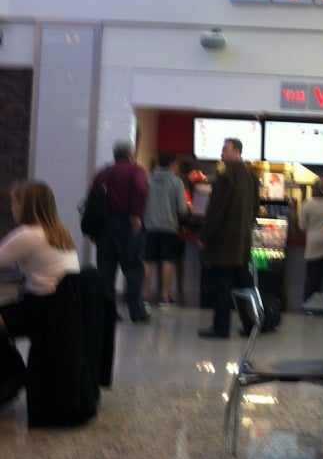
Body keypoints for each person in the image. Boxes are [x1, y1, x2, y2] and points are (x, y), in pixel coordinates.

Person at [197, 137, 260, 338]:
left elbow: (216, 208)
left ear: (236, 152)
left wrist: (204, 235)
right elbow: (255, 206)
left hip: (224, 242)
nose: (222, 153)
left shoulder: (226, 174)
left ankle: (221, 326)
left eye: (225, 149)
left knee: (221, 285)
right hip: (242, 242)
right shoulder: (250, 175)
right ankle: (252, 323)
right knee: (244, 283)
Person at [0, 180, 80, 336]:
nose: (12, 209)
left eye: (14, 204)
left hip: (40, 308)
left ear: (24, 207)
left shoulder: (28, 234)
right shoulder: (61, 233)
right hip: (64, 307)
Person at [89, 139, 150, 323]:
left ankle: (108, 312)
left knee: (106, 271)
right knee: (133, 270)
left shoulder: (103, 172)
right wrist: (136, 214)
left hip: (105, 226)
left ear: (115, 155)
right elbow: (141, 188)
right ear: (131, 155)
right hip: (128, 224)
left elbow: (92, 197)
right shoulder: (136, 170)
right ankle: (137, 312)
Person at [142, 152, 188, 307]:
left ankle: (144, 295)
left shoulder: (148, 179)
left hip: (149, 226)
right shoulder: (177, 182)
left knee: (148, 261)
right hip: (169, 227)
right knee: (167, 261)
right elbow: (182, 209)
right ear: (171, 164)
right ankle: (165, 296)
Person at [298, 176, 323, 303]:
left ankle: (309, 308)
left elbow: (302, 226)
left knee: (312, 281)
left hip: (313, 246)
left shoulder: (307, 204)